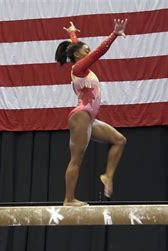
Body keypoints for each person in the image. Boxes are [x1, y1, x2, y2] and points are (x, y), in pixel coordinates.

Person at [55, 19, 128, 206]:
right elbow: (98, 52)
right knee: (76, 158)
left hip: (89, 118)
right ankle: (68, 199)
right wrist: (114, 34)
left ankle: (108, 176)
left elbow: (76, 48)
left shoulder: (80, 65)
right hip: (81, 116)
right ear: (78, 55)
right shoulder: (78, 68)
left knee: (119, 140)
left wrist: (72, 34)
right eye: (85, 50)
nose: (88, 51)